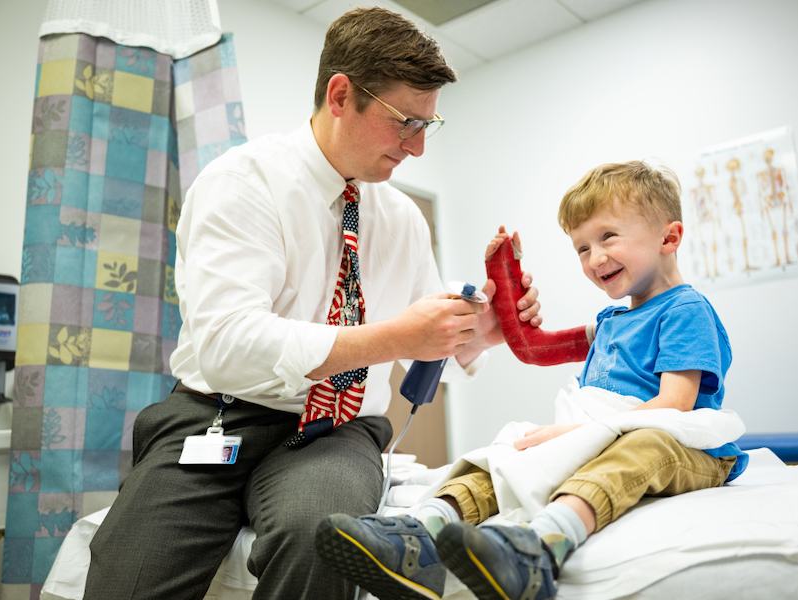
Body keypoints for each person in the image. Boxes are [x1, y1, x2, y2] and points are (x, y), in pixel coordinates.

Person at [82, 7, 542, 600]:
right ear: (341, 94)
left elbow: (429, 350)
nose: (419, 148)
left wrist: (486, 330)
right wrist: (397, 337)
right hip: (218, 416)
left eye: (429, 125)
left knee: (320, 537)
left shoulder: (400, 219)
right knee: (130, 574)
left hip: (337, 433)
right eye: (405, 123)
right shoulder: (241, 184)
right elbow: (227, 346)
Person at [316, 161, 749, 600]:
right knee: (515, 446)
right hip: (612, 432)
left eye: (608, 237)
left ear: (669, 237)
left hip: (685, 446)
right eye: (581, 248)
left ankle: (542, 547)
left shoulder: (684, 310)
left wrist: (580, 433)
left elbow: (675, 405)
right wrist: (502, 278)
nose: (594, 258)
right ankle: (420, 535)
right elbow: (534, 347)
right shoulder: (613, 320)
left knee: (641, 446)